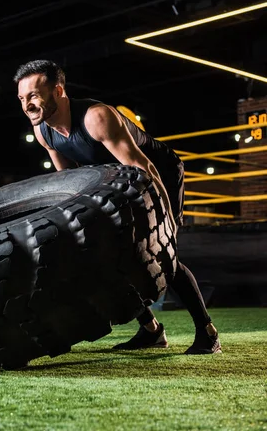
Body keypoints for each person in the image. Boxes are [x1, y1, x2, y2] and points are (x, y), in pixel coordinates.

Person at [14, 59, 222, 355]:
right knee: (105, 256)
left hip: (157, 173)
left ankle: (207, 333)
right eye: (22, 98)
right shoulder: (43, 131)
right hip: (114, 182)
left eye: (34, 95)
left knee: (163, 254)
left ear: (58, 90)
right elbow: (69, 183)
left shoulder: (96, 117)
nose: (27, 105)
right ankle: (151, 331)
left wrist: (165, 217)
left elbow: (144, 167)